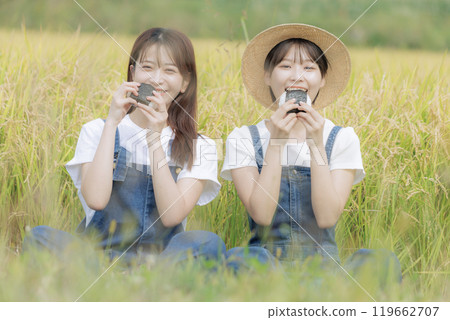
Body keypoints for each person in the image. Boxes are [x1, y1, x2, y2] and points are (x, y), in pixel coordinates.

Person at [23, 28, 222, 265]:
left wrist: (154, 137)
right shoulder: (96, 130)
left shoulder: (200, 146)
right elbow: (95, 200)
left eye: (169, 70)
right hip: (97, 256)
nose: (156, 79)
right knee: (39, 236)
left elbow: (172, 216)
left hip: (161, 260)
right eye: (147, 67)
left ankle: (144, 279)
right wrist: (112, 122)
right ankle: (115, 279)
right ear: (133, 73)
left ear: (185, 82)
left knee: (209, 243)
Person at [221, 24, 402, 283]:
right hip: (266, 265)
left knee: (382, 262)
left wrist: (316, 143)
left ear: (323, 79)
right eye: (285, 66)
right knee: (239, 259)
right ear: (267, 76)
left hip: (324, 267)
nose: (297, 77)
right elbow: (261, 215)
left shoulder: (341, 138)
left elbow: (327, 217)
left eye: (309, 67)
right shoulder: (242, 138)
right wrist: (276, 144)